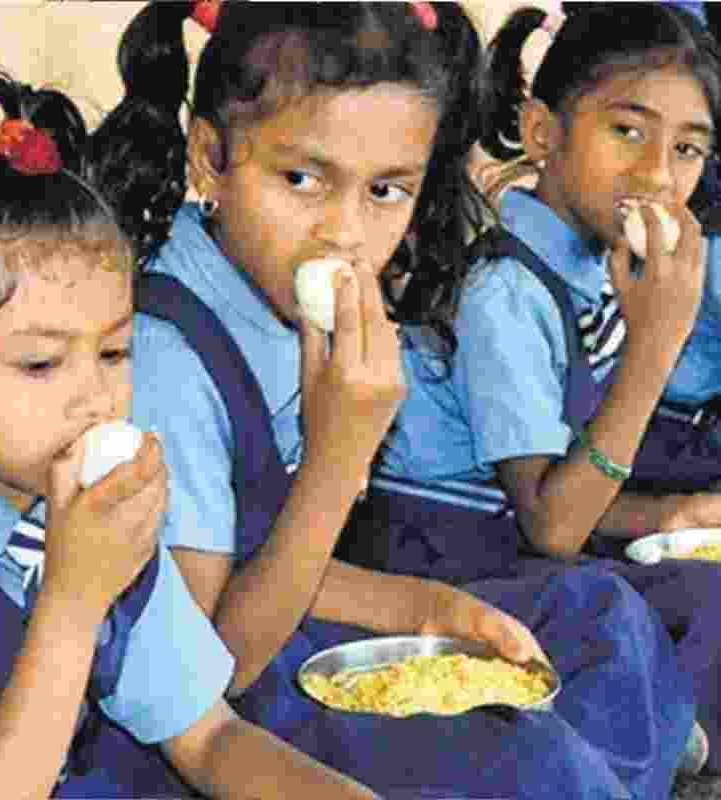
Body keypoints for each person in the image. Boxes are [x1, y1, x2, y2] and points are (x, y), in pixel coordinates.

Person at [92, 2, 698, 797]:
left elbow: (268, 556)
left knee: (594, 607)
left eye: (384, 190)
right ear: (210, 158)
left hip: (280, 613)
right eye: (302, 179)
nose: (345, 231)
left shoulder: (285, 303)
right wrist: (339, 458)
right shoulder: (171, 357)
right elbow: (216, 667)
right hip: (209, 721)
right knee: (526, 760)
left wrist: (431, 608)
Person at [0, 71, 378, 800]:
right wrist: (72, 598)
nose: (96, 395)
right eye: (41, 363)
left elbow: (211, 739)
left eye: (114, 353)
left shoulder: (87, 503)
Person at [348, 2, 721, 778]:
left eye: (687, 148)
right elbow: (551, 524)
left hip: (520, 537)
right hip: (442, 554)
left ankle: (666, 730)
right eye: (628, 130)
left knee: (697, 593)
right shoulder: (508, 293)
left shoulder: (596, 263)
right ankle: (628, 751)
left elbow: (574, 487)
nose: (658, 173)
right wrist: (657, 342)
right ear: (544, 133)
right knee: (617, 614)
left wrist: (676, 515)